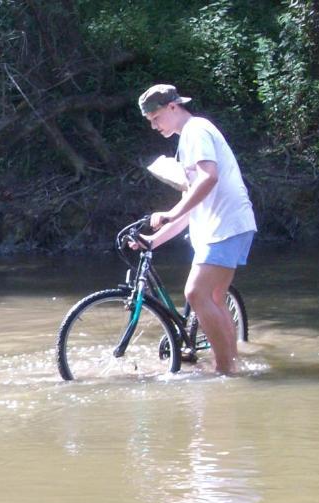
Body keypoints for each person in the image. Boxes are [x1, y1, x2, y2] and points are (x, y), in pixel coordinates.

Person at [137, 84, 256, 374]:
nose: (154, 126)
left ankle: (225, 370)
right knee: (214, 298)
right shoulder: (187, 140)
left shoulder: (195, 131)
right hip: (226, 227)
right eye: (150, 121)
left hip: (226, 225)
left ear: (173, 107)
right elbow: (189, 209)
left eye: (156, 118)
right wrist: (153, 240)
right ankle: (231, 366)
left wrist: (169, 212)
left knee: (195, 294)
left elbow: (208, 178)